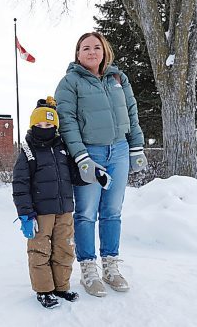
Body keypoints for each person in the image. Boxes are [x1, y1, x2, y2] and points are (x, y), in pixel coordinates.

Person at [54, 32, 147, 297]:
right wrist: (81, 157)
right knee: (85, 213)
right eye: (86, 48)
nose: (92, 52)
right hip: (90, 153)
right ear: (78, 54)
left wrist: (136, 147)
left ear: (105, 50)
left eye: (97, 47)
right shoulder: (69, 82)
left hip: (119, 150)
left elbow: (132, 112)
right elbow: (67, 121)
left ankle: (111, 267)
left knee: (113, 211)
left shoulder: (118, 78)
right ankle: (88, 269)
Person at [12, 97, 79, 309]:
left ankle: (61, 287)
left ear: (55, 126)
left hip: (64, 210)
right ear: (33, 125)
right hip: (41, 213)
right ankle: (44, 290)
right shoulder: (28, 151)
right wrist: (25, 213)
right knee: (40, 251)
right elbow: (20, 184)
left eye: (49, 125)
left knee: (64, 249)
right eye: (40, 125)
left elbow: (75, 175)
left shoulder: (63, 149)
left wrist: (93, 173)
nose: (44, 128)